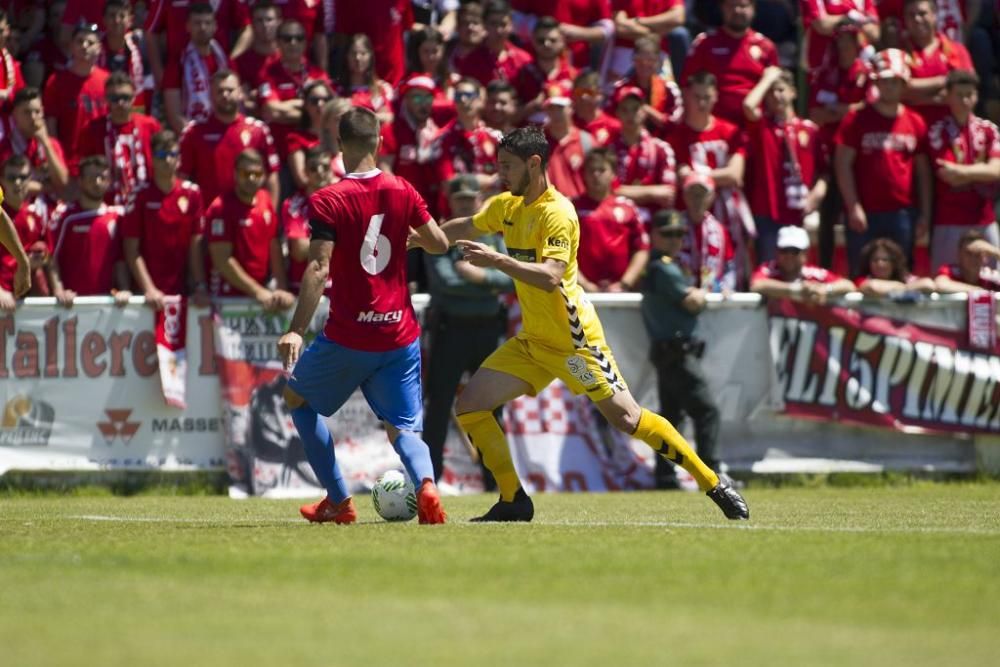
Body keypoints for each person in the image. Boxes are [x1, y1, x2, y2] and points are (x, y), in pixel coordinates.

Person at [419, 126, 749, 521]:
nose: (500, 174)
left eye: (507, 166)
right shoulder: (507, 206)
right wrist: (418, 237)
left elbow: (551, 275)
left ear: (534, 163)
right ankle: (513, 501)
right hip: (533, 343)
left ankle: (713, 481)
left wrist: (499, 262)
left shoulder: (558, 213)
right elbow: (467, 226)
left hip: (575, 345)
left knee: (627, 418)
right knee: (470, 405)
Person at [276, 106, 450, 525]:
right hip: (399, 335)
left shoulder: (329, 199)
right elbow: (441, 243)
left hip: (350, 335)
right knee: (404, 430)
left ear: (339, 146)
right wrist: (409, 240)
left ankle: (338, 500)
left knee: (296, 398)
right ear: (379, 142)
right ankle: (426, 484)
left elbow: (318, 269)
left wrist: (296, 330)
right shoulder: (402, 189)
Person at [423, 175, 512, 482]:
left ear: (479, 200)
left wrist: (478, 278)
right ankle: (429, 479)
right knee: (439, 406)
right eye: (459, 199)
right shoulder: (440, 237)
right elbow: (446, 282)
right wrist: (488, 280)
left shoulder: (492, 237)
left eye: (469, 199)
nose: (465, 204)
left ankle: (497, 481)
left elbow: (510, 278)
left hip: (488, 330)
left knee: (491, 407)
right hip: (452, 330)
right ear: (451, 201)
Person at [642, 209, 723, 488]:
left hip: (667, 352)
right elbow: (691, 302)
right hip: (677, 352)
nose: (675, 239)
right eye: (668, 234)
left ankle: (665, 476)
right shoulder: (664, 268)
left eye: (679, 234)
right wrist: (703, 294)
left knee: (671, 418)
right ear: (655, 236)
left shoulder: (661, 266)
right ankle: (711, 472)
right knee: (707, 411)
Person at [834, 48, 931, 277]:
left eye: (896, 82)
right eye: (886, 81)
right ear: (876, 83)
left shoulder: (915, 122)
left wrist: (925, 214)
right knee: (861, 273)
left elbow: (923, 173)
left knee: (901, 274)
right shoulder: (855, 119)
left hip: (903, 213)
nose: (890, 87)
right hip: (865, 213)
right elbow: (842, 164)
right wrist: (853, 205)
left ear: (904, 84)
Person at [742, 66, 826, 262]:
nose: (775, 95)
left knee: (801, 269)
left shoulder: (810, 130)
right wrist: (767, 79)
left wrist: (817, 194)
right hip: (768, 212)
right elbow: (748, 106)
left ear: (793, 92)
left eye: (780, 89)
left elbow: (824, 171)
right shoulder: (763, 126)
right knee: (769, 267)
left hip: (799, 211)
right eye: (770, 92)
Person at [122, 130, 209, 310]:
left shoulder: (192, 193)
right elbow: (131, 249)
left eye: (172, 154)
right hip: (146, 295)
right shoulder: (138, 195)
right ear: (152, 158)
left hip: (183, 291)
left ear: (179, 158)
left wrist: (199, 286)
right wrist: (149, 288)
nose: (167, 160)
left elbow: (195, 245)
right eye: (161, 155)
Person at [927, 70, 1000, 270]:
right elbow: (948, 175)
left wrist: (964, 173)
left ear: (976, 96)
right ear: (948, 96)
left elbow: (997, 171)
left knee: (994, 278)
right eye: (959, 94)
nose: (965, 100)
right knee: (945, 278)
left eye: (970, 94)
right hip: (949, 220)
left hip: (984, 218)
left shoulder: (989, 130)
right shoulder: (938, 130)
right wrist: (982, 172)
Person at [205, 149, 293, 311]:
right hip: (226, 299)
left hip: (262, 296)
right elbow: (222, 259)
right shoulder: (220, 208)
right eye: (246, 174)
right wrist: (258, 291)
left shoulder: (266, 199)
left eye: (257, 174)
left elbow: (274, 245)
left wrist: (281, 288)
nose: (252, 179)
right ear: (235, 174)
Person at [179, 70, 280, 208]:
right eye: (220, 91)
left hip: (249, 217)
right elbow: (181, 179)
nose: (225, 95)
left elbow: (271, 177)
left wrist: (269, 216)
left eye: (230, 90)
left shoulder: (258, 130)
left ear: (239, 93)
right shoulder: (194, 132)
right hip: (209, 218)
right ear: (210, 95)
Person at [47, 155, 132, 307]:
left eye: (102, 177)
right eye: (92, 177)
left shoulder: (117, 216)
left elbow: (120, 259)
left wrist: (124, 289)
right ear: (80, 180)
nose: (97, 182)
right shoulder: (65, 216)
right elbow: (52, 257)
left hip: (105, 306)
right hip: (70, 304)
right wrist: (59, 290)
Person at [680, 0, 778, 127]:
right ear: (722, 8)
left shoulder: (766, 47)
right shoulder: (704, 44)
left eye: (743, 5)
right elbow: (686, 87)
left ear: (753, 9)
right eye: (732, 5)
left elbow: (775, 94)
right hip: (714, 128)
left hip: (756, 128)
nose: (737, 10)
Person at [77, 72, 162, 207]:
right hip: (107, 206)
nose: (120, 103)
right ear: (106, 99)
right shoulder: (92, 130)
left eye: (125, 97)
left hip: (146, 203)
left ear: (134, 97)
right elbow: (82, 170)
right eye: (114, 98)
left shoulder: (150, 126)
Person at [572, 147, 649, 293]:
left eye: (602, 170)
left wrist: (624, 284)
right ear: (584, 175)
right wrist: (584, 285)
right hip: (581, 293)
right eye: (591, 170)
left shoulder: (628, 207)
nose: (596, 175)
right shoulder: (571, 208)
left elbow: (641, 249)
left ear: (613, 174)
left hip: (620, 293)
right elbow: (563, 252)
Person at [161, 2, 232, 134]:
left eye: (207, 23)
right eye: (197, 23)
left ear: (215, 26)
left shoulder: (225, 60)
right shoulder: (178, 61)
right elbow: (174, 115)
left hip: (225, 133)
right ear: (188, 26)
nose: (203, 28)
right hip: (193, 136)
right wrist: (199, 139)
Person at [42, 21, 108, 160]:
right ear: (71, 46)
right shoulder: (56, 82)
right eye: (80, 41)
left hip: (102, 161)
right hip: (69, 161)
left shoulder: (108, 81)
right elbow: (51, 125)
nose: (84, 46)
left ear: (99, 48)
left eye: (90, 43)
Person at [749, 225, 855, 301]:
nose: (789, 256)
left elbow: (849, 285)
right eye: (784, 250)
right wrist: (797, 289)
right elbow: (756, 285)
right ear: (776, 251)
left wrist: (825, 289)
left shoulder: (813, 274)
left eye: (795, 251)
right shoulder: (768, 269)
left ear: (806, 253)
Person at [0, 157, 38, 308]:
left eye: (22, 177)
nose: (17, 182)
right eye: (12, 177)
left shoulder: (35, 214)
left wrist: (23, 262)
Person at [855, 237, 936, 297]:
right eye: (875, 260)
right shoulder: (862, 280)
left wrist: (902, 287)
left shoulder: (906, 279)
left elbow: (928, 284)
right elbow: (872, 287)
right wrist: (907, 289)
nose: (880, 264)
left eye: (885, 260)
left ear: (894, 263)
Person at [934, 230, 1000, 293]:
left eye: (978, 253)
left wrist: (995, 251)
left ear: (986, 257)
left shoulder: (991, 276)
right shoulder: (950, 271)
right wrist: (979, 291)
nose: (973, 258)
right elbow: (940, 285)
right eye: (968, 253)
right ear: (959, 254)